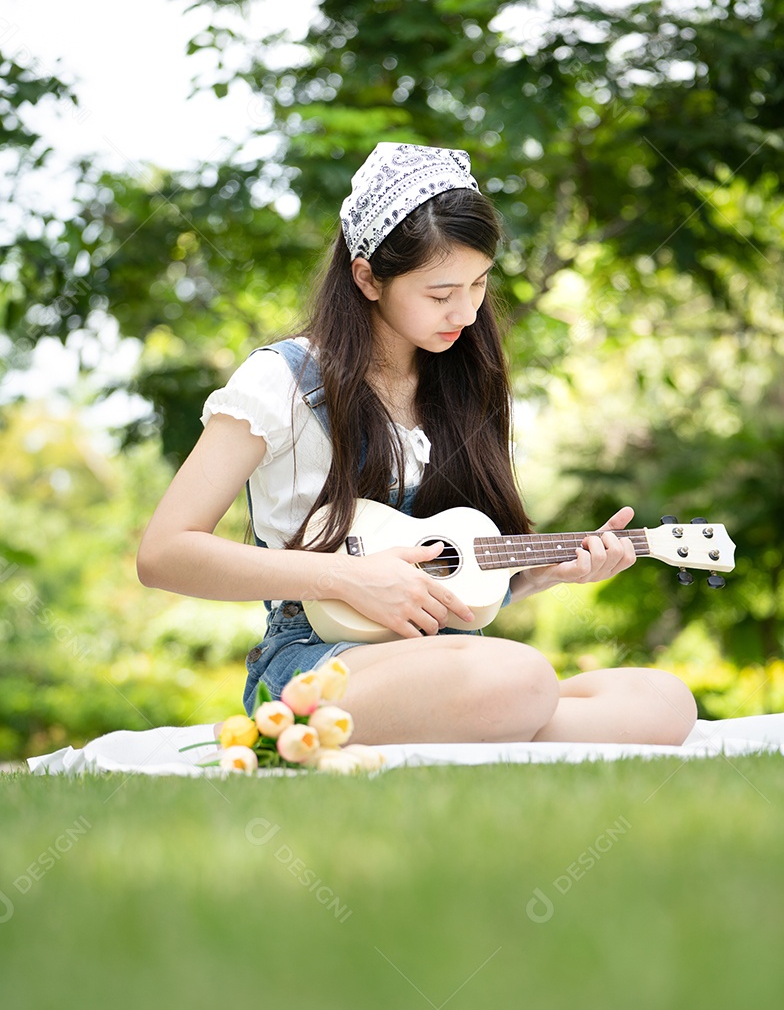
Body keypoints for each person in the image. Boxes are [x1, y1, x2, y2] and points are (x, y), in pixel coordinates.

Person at [137, 142, 697, 746]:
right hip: (320, 662)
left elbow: (449, 576)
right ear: (367, 278)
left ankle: (487, 722)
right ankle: (315, 724)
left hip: (452, 662)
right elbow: (164, 553)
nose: (466, 310)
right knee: (521, 676)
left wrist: (541, 576)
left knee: (665, 700)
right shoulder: (283, 382)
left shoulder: (460, 382)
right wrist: (344, 580)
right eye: (439, 293)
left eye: (479, 283)